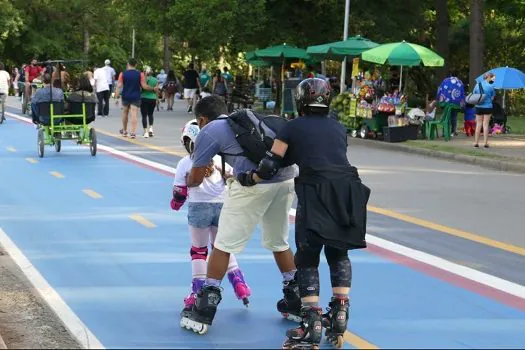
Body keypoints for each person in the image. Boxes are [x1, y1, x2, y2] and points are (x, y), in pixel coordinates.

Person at [237, 78, 370, 348]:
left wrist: (249, 177)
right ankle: (340, 313)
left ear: (301, 100)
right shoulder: (338, 127)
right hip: (347, 188)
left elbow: (270, 163)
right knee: (338, 251)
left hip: (316, 189)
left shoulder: (292, 127)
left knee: (308, 255)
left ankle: (311, 322)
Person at [180, 96, 301, 334]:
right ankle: (295, 299)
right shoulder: (246, 120)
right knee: (279, 241)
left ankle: (204, 308)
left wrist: (186, 182)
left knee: (223, 244)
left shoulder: (208, 131)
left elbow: (195, 177)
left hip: (254, 184)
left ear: (202, 119)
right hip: (286, 179)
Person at [173, 121, 252, 323]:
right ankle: (240, 284)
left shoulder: (185, 162)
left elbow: (180, 190)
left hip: (199, 208)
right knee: (222, 248)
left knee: (198, 251)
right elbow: (234, 178)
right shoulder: (219, 158)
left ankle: (197, 292)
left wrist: (176, 203)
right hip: (222, 207)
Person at [114, 58, 157, 139]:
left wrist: (116, 97)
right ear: (136, 65)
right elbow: (144, 86)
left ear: (128, 64)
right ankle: (133, 133)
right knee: (134, 114)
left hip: (125, 95)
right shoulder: (140, 74)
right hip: (136, 96)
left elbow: (118, 86)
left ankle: (125, 131)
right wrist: (153, 88)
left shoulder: (122, 74)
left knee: (125, 113)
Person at [473, 72, 496, 148]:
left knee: (478, 124)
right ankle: (486, 143)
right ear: (488, 77)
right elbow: (492, 97)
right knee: (485, 124)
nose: (493, 79)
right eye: (492, 77)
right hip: (488, 107)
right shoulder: (491, 86)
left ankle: (476, 143)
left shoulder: (477, 85)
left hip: (478, 107)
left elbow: (474, 94)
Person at [140, 67, 158, 138]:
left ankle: (145, 132)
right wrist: (157, 99)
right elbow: (156, 90)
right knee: (150, 114)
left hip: (144, 98)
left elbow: (141, 89)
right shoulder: (155, 80)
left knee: (144, 115)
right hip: (153, 98)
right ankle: (151, 129)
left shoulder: (142, 79)